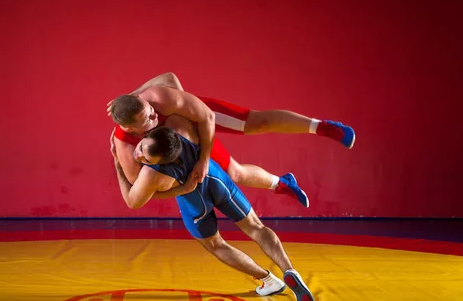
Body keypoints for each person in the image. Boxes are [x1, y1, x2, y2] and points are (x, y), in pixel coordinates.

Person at [111, 113, 317, 301]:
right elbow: (197, 109)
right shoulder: (180, 126)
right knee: (256, 227)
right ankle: (289, 269)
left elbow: (133, 201)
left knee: (216, 245)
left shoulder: (154, 174)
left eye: (145, 157)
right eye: (141, 149)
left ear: (161, 161)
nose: (137, 155)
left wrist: (118, 164)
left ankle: (269, 279)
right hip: (215, 178)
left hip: (194, 203)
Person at [108, 72, 355, 209]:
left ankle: (323, 127)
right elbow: (138, 192)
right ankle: (282, 184)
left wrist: (203, 159)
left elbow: (179, 87)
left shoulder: (156, 98)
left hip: (197, 119)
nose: (153, 112)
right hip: (183, 145)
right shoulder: (125, 144)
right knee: (235, 174)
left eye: (150, 108)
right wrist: (180, 185)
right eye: (147, 116)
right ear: (131, 128)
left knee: (257, 122)